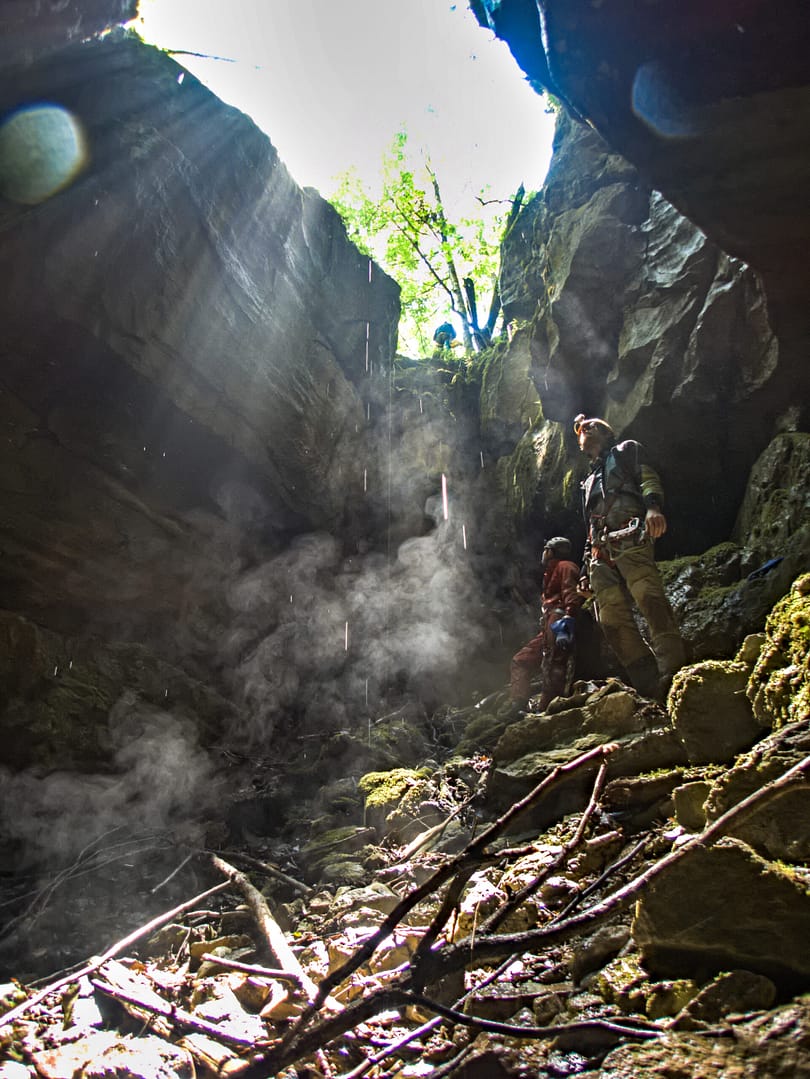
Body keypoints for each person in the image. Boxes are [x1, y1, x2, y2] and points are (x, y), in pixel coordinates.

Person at [574, 413, 686, 699]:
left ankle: (674, 671)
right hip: (600, 553)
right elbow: (590, 526)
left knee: (649, 598)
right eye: (581, 429)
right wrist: (586, 570)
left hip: (631, 537)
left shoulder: (626, 451)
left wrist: (653, 507)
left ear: (604, 431)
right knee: (610, 621)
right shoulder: (587, 482)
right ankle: (648, 683)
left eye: (590, 425)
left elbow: (647, 477)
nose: (585, 429)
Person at [509, 536, 583, 712]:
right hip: (549, 624)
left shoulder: (565, 567)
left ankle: (550, 707)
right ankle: (517, 703)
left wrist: (568, 618)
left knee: (554, 663)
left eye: (545, 549)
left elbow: (570, 593)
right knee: (521, 660)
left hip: (559, 621)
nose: (543, 553)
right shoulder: (551, 572)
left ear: (550, 551)